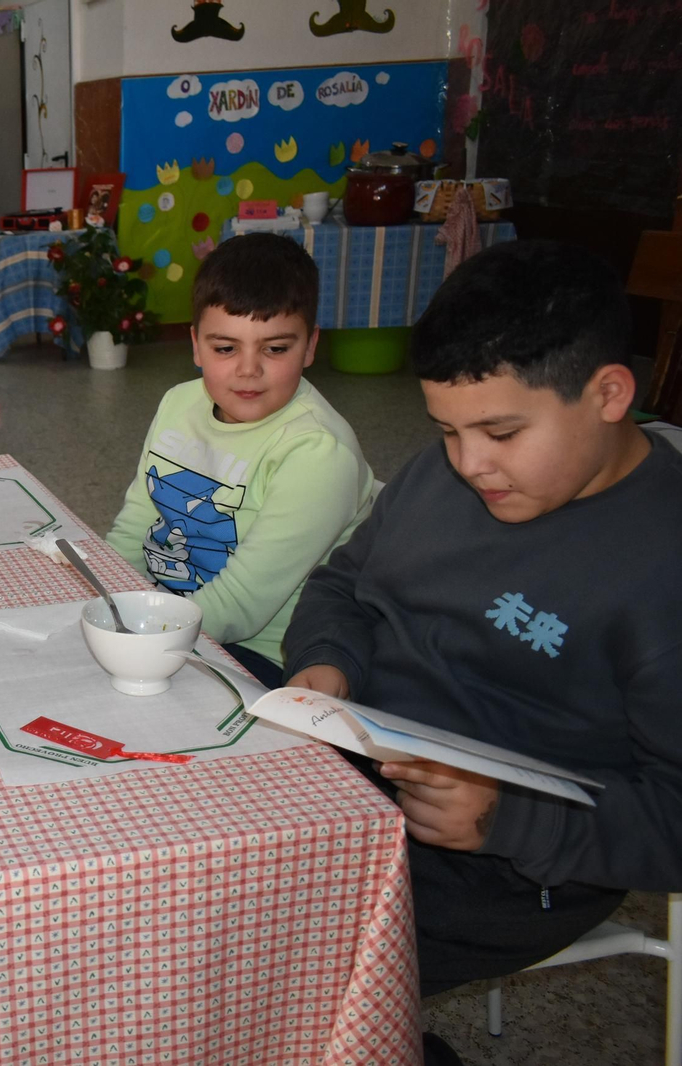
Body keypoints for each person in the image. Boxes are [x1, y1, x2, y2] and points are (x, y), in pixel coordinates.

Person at [283, 239, 682, 1003]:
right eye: (446, 432)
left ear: (609, 394)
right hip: (358, 767)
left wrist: (507, 819)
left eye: (500, 434)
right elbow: (342, 585)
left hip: (505, 866)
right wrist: (328, 663)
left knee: (256, 956)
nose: (468, 465)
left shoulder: (662, 565)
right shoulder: (449, 472)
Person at [104, 233, 374, 688]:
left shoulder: (318, 451)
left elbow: (240, 606)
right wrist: (106, 603)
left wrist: (137, 632)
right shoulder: (178, 403)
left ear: (310, 347)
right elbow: (137, 523)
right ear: (195, 345)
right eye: (225, 349)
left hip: (258, 653)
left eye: (276, 348)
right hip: (166, 619)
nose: (248, 370)